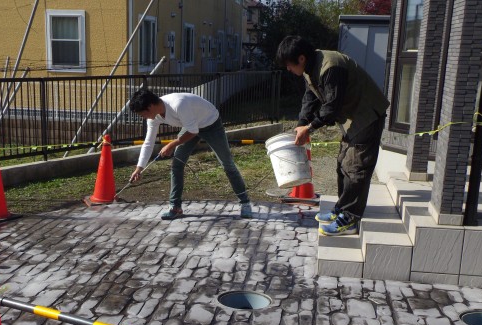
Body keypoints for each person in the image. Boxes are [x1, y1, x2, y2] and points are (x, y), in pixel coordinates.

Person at [276, 36, 390, 236]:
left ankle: (350, 218)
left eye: (288, 64)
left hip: (366, 114)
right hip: (352, 117)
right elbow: (310, 98)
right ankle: (342, 209)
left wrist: (309, 129)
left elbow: (331, 107)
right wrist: (302, 123)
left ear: (301, 59)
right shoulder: (311, 68)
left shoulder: (330, 66)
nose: (288, 69)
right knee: (342, 163)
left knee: (356, 167)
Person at [128, 88, 252, 220]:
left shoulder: (178, 104)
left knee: (227, 164)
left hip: (211, 123)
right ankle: (175, 207)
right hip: (191, 126)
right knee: (177, 165)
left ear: (150, 106)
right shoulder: (154, 117)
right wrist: (139, 168)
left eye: (142, 114)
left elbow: (193, 131)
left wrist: (171, 144)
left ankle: (245, 203)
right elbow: (148, 142)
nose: (143, 117)